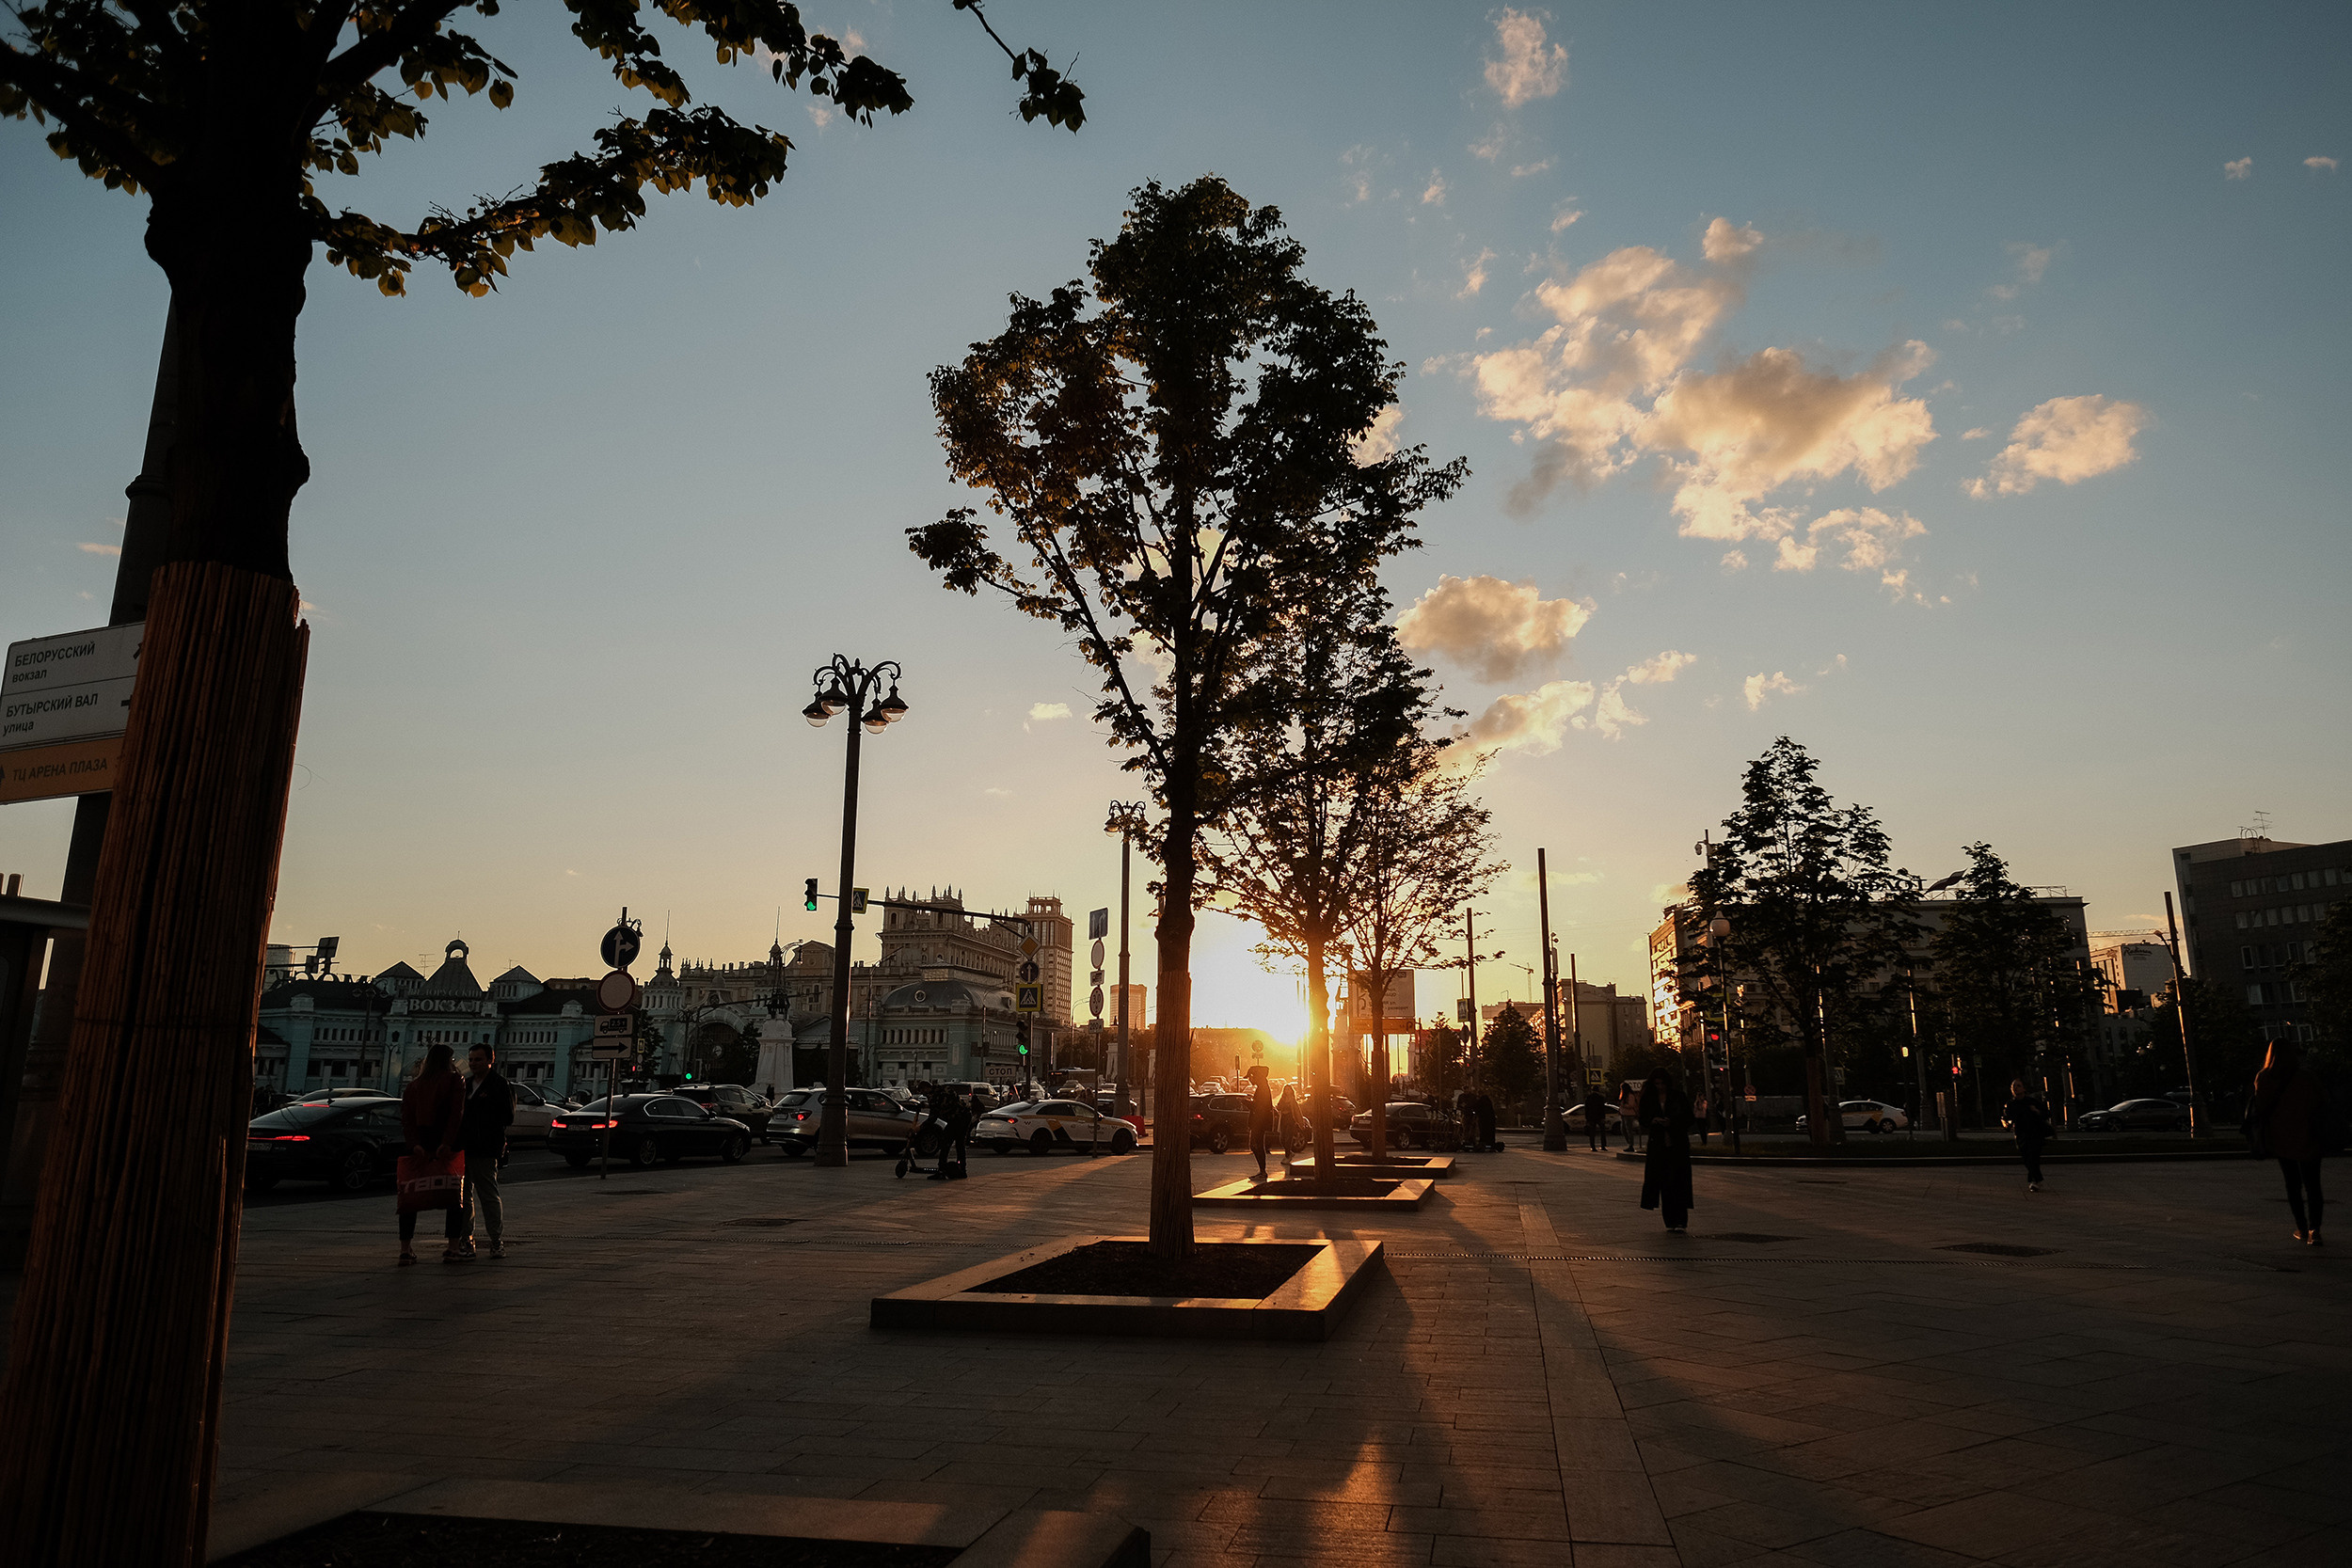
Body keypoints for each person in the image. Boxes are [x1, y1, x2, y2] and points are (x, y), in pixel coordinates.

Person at [2250, 1038, 2330, 1245]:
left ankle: (2301, 1228)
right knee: (2313, 1186)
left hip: (2281, 1139)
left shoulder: (2264, 1077)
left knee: (2292, 1185)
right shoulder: (2306, 1077)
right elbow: (2322, 1102)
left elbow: (2260, 1108)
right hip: (2309, 1136)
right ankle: (2315, 1230)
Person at [398, 1042, 468, 1266]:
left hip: (419, 1142)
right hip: (446, 1143)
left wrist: (414, 1144)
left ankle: (405, 1249)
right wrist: (446, 1142)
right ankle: (453, 1248)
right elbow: (456, 1114)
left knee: (410, 1196)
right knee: (454, 1196)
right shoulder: (455, 1080)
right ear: (448, 1061)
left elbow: (407, 1119)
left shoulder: (413, 1086)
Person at [457, 1044, 515, 1259]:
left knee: (488, 1195)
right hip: (463, 1148)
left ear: (491, 1060)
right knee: (463, 1197)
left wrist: (483, 1119)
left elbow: (508, 1116)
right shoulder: (466, 1084)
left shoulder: (499, 1085)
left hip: (485, 1148)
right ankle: (466, 1239)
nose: (473, 1063)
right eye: (471, 1059)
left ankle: (496, 1241)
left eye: (478, 1059)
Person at [1637, 1068, 1695, 1234]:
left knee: (1679, 1182)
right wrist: (1653, 1121)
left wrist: (1673, 1122)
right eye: (1657, 1084)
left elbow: (1689, 1118)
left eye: (1662, 1083)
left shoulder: (1678, 1096)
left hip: (1677, 1144)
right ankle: (1670, 1220)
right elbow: (1643, 1118)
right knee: (1664, 1184)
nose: (1660, 1087)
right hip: (1658, 1145)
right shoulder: (1649, 1098)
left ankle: (1681, 1220)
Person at [2002, 1080, 2052, 1193]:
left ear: (2024, 1088)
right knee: (2026, 1158)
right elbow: (2006, 1118)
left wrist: (2036, 1111)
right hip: (2020, 1134)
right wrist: (2007, 1124)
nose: (2015, 1088)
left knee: (2033, 1157)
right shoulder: (2010, 1104)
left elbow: (2046, 1114)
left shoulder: (2032, 1102)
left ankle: (2034, 1181)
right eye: (2013, 1086)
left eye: (2018, 1086)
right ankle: (2037, 1180)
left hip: (2035, 1133)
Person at [1246, 1065, 1275, 1181]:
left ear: (1257, 1076)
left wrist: (1246, 1103)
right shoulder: (1263, 1087)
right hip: (1259, 1122)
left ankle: (1262, 1171)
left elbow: (1259, 1107)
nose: (1250, 1080)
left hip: (1259, 1122)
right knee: (1256, 1145)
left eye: (1251, 1077)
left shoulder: (1262, 1088)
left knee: (1256, 1145)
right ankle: (1262, 1171)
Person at [1275, 1081, 1300, 1167]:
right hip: (1283, 1120)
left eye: (1289, 1089)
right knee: (1282, 1139)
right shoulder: (1282, 1099)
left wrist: (1300, 1122)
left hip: (1290, 1120)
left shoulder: (1293, 1100)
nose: (1287, 1091)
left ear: (1291, 1091)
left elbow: (1297, 1111)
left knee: (1288, 1139)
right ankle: (1289, 1153)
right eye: (1286, 1089)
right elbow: (1278, 1107)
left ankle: (1287, 1156)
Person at [1581, 1085, 1612, 1151]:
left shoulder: (1589, 1098)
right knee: (1602, 1132)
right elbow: (1602, 1109)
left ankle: (1593, 1147)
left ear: (1592, 1090)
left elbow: (1586, 1109)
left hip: (1591, 1117)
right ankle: (1603, 1146)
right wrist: (1603, 1117)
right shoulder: (1600, 1098)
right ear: (1598, 1090)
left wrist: (1587, 1118)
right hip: (1600, 1117)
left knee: (1592, 1133)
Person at [1475, 1086, 1498, 1153]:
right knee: (1491, 1133)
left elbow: (1477, 1109)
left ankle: (1482, 1144)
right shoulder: (1488, 1101)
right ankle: (1491, 1145)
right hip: (1491, 1120)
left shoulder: (1480, 1101)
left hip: (1483, 1120)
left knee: (1483, 1132)